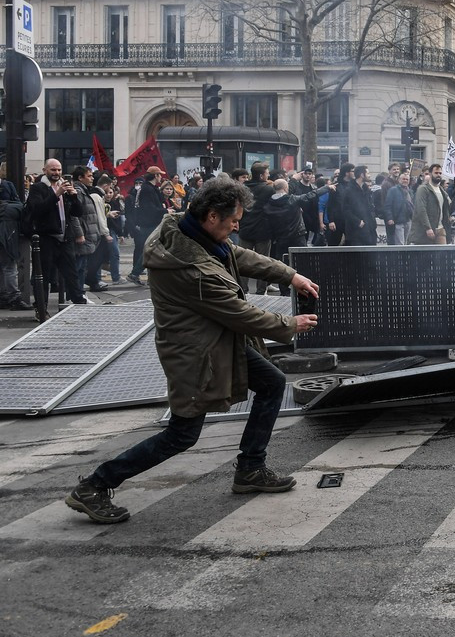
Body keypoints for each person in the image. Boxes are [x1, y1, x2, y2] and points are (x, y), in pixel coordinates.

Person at [64, 178, 320, 525]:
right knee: (182, 434)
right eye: (232, 221)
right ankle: (96, 484)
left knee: (273, 383)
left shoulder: (191, 234)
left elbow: (238, 254)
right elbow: (241, 314)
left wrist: (291, 275)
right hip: (197, 354)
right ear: (212, 216)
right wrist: (290, 324)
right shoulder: (193, 269)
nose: (237, 227)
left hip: (217, 342)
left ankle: (250, 468)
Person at [25, 159, 88, 306]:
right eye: (53, 170)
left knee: (71, 273)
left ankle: (78, 300)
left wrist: (73, 196)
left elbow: (78, 212)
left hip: (65, 237)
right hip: (46, 237)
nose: (57, 173)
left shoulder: (64, 187)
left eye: (59, 170)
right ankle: (41, 306)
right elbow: (37, 210)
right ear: (45, 170)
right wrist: (56, 194)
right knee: (43, 275)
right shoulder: (39, 188)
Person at [264, 178, 333, 288]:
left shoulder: (268, 205)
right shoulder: (292, 200)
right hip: (297, 235)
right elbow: (311, 195)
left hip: (280, 238)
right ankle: (302, 287)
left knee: (282, 266)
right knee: (302, 263)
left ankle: (284, 291)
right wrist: (326, 188)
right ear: (286, 188)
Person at [68, 165, 110, 293]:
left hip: (88, 235)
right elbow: (74, 215)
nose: (92, 178)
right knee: (78, 267)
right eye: (89, 176)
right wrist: (79, 234)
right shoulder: (78, 191)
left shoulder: (84, 190)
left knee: (82, 267)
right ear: (80, 178)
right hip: (83, 235)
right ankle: (76, 294)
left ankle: (79, 294)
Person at [238, 162, 275, 294]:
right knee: (263, 262)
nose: (269, 174)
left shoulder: (242, 188)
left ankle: (243, 290)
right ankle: (261, 291)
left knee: (243, 261)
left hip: (245, 229)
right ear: (261, 175)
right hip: (263, 230)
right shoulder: (268, 189)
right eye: (267, 172)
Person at [126, 166, 167, 284]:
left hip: (151, 223)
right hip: (149, 224)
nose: (161, 177)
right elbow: (150, 209)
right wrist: (164, 211)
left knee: (151, 250)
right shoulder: (147, 189)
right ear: (155, 176)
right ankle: (135, 273)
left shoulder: (151, 188)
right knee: (151, 250)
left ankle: (145, 276)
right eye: (160, 175)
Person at [0, 167, 28, 310]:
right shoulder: (13, 208)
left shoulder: (7, 186)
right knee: (9, 267)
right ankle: (14, 298)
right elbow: (20, 206)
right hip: (7, 236)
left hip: (6, 234)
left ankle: (4, 296)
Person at [410, 163, 452, 245]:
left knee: (442, 256)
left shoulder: (442, 190)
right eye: (436, 173)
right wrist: (428, 228)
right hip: (425, 231)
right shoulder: (423, 189)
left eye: (440, 173)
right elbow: (421, 209)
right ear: (430, 174)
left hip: (440, 229)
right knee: (426, 256)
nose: (438, 175)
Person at [383, 172, 414, 244]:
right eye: (403, 179)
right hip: (398, 221)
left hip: (408, 221)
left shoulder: (410, 191)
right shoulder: (393, 190)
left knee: (406, 243)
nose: (405, 181)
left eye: (407, 179)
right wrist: (390, 218)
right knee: (400, 243)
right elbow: (388, 205)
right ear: (399, 180)